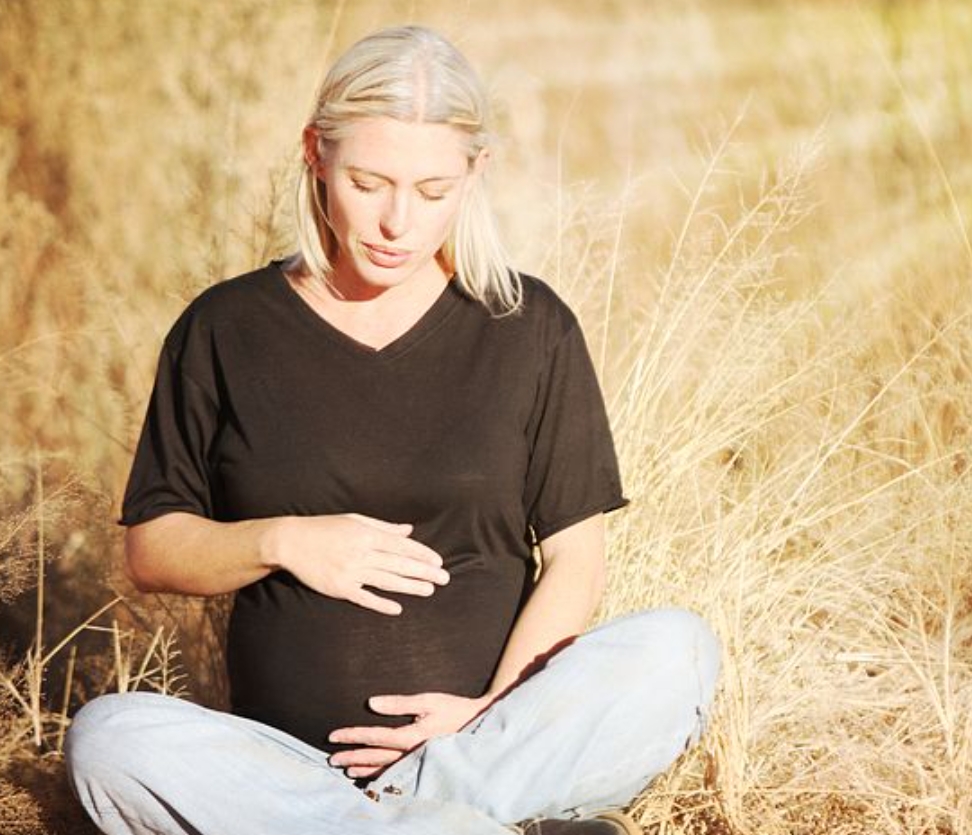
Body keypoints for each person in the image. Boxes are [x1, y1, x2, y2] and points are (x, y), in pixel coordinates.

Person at [65, 25, 720, 835]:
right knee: (109, 739)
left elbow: (575, 559)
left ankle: (422, 813)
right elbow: (152, 549)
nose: (396, 222)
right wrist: (285, 540)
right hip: (287, 767)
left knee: (678, 650)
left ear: (475, 171)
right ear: (316, 153)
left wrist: (490, 710)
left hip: (485, 743)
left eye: (433, 190)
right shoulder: (225, 328)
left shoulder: (529, 327)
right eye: (369, 183)